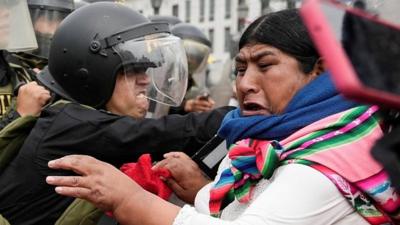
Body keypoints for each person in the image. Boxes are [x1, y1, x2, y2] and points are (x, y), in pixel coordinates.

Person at [46, 9, 400, 225]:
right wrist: (201, 192)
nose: (245, 84)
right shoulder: (270, 142)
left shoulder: (325, 164)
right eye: (240, 68)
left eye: (265, 65)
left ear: (319, 72)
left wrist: (130, 200)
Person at [0, 2, 233, 225]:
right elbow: (166, 132)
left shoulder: (71, 119)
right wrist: (241, 118)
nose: (145, 80)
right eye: (133, 70)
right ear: (90, 74)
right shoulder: (72, 125)